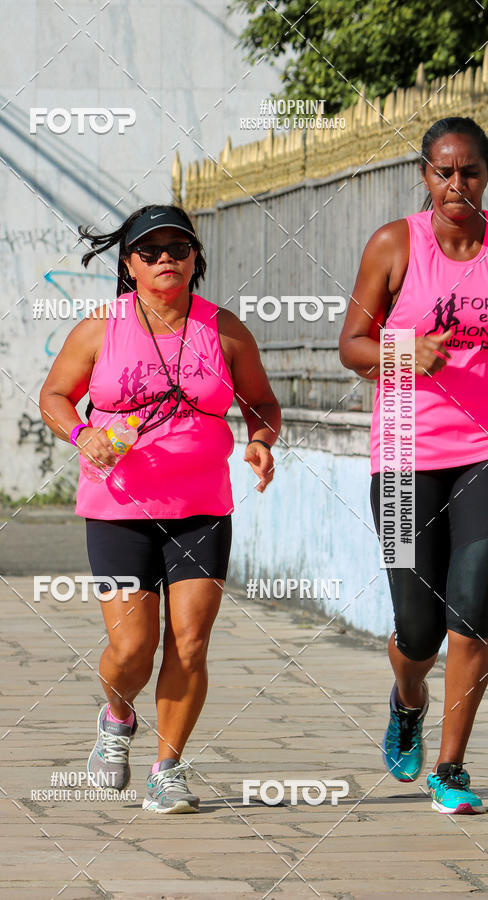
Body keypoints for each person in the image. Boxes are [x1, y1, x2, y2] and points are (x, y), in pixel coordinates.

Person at [39, 204, 281, 813]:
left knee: (191, 644)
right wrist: (80, 434)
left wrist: (258, 441)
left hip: (201, 508)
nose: (166, 257)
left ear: (196, 259)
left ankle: (167, 768)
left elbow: (262, 403)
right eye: (150, 250)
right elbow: (54, 396)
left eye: (179, 247)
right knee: (131, 649)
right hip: (119, 507)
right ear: (130, 264)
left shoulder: (225, 330)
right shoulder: (102, 327)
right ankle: (116, 717)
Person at [340, 116, 488, 815]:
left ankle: (452, 771)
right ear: (425, 175)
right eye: (443, 172)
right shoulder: (396, 244)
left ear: (486, 177)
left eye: (470, 172)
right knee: (418, 629)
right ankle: (407, 700)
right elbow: (351, 345)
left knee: (475, 612)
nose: (456, 185)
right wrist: (405, 353)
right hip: (401, 458)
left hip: (483, 455)